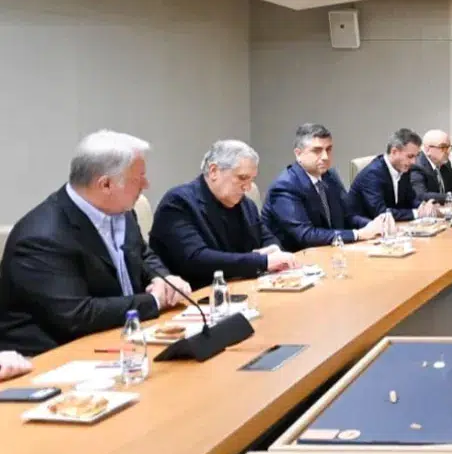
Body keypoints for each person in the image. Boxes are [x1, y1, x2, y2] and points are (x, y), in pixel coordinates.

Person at [0, 130, 190, 356]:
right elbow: (77, 315)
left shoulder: (122, 211)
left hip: (121, 335)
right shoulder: (42, 237)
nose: (146, 184)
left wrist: (163, 279)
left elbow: (141, 253)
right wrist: (154, 301)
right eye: (138, 178)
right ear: (106, 184)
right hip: (53, 355)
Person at [150, 140, 297, 287]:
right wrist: (262, 261)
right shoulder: (178, 203)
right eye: (242, 178)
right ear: (214, 171)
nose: (247, 187)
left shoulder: (246, 205)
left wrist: (274, 251)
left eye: (251, 180)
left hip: (240, 288)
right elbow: (196, 259)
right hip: (196, 294)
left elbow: (267, 238)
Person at [262, 123, 389, 252]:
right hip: (296, 257)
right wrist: (358, 234)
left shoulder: (330, 176)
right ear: (298, 154)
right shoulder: (285, 187)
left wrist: (372, 225)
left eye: (328, 149)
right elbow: (306, 235)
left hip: (329, 251)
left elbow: (347, 216)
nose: (325, 157)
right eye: (317, 151)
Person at [348, 129, 432, 221]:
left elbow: (411, 199)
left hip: (391, 225)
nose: (414, 162)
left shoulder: (404, 169)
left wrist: (422, 206)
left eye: (416, 156)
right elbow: (381, 213)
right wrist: (416, 213)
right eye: (410, 156)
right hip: (364, 226)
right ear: (394, 152)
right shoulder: (372, 174)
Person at [411, 129, 452, 203]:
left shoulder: (445, 163)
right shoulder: (417, 166)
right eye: (443, 147)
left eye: (449, 147)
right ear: (428, 149)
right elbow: (422, 195)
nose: (448, 152)